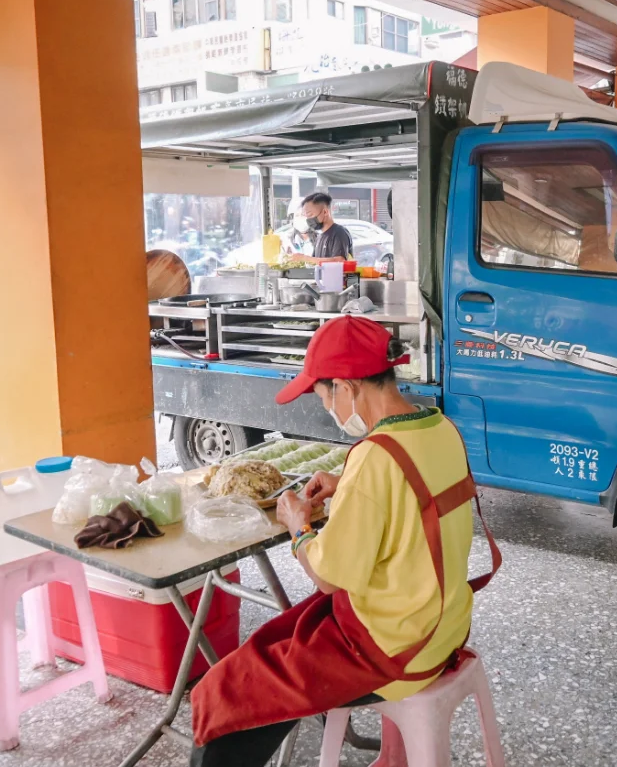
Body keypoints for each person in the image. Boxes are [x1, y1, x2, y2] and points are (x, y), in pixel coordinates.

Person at [188, 316, 500, 767]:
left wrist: (300, 528)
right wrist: (347, 483)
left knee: (230, 690)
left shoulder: (374, 459)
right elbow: (415, 495)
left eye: (322, 396)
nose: (327, 407)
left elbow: (330, 578)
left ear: (345, 387)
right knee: (275, 641)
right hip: (444, 623)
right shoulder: (440, 428)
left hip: (393, 646)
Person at [289, 191, 353, 263]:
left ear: (325, 212)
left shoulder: (339, 232)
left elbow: (340, 261)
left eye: (310, 215)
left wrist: (305, 258)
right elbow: (314, 262)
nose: (308, 220)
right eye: (306, 216)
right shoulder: (319, 237)